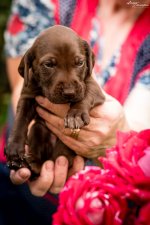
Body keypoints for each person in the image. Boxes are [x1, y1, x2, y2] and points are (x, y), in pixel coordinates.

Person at [1, 0, 150, 222]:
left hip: (95, 208)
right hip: (13, 180)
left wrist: (117, 137)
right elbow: (23, 87)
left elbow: (138, 129)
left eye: (79, 64)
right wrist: (34, 146)